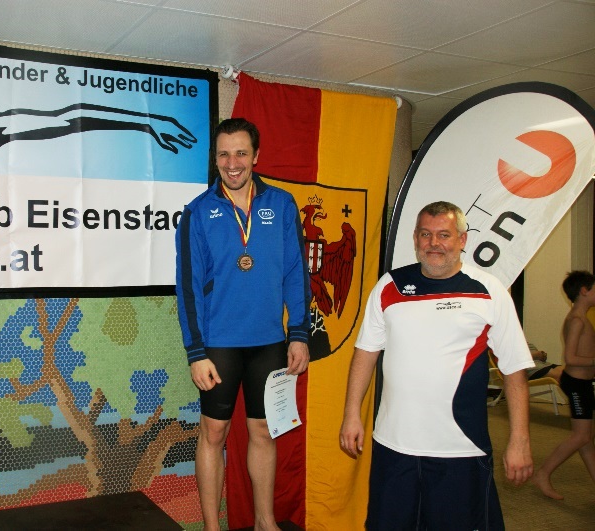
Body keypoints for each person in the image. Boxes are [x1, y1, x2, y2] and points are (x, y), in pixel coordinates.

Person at [339, 201, 533, 530]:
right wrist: (351, 414)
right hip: (394, 447)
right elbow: (365, 353)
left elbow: (514, 371)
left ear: (462, 239)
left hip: (460, 449)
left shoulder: (489, 291)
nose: (434, 243)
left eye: (444, 235)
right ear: (415, 238)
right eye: (426, 234)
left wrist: (520, 440)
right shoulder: (390, 286)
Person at [175, 118, 310, 531]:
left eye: (240, 153)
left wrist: (299, 334)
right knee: (214, 434)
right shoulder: (198, 212)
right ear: (214, 159)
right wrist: (196, 352)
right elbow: (188, 287)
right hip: (218, 345)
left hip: (268, 342)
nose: (232, 163)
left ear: (256, 156)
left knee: (263, 430)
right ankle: (212, 528)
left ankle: (265, 522)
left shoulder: (282, 204)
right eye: (223, 154)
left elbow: (295, 272)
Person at [532, 270, 595, 500]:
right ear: (584, 291)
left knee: (586, 438)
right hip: (576, 383)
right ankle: (543, 474)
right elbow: (570, 357)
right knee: (581, 437)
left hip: (583, 383)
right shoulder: (576, 320)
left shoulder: (581, 318)